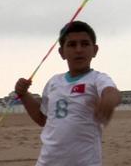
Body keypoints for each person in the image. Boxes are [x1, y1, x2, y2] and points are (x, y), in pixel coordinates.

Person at [15, 21, 121, 166]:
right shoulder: (53, 82)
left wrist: (108, 101)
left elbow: (111, 92)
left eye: (85, 44)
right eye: (72, 45)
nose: (79, 50)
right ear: (62, 52)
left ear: (95, 50)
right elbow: (43, 119)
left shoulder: (97, 78)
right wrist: (24, 95)